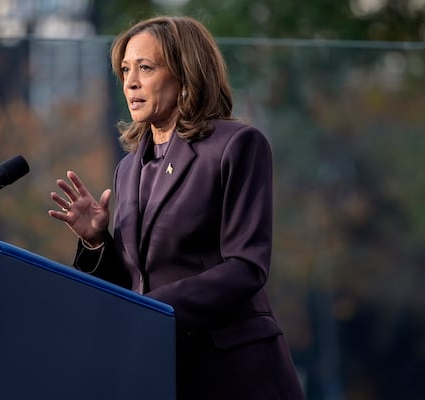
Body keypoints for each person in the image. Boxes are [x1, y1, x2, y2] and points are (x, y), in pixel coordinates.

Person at [49, 15, 304, 399]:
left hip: (236, 371)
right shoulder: (128, 169)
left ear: (186, 75)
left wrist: (152, 310)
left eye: (145, 68)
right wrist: (98, 242)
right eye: (124, 70)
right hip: (163, 371)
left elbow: (247, 267)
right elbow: (136, 282)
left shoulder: (236, 145)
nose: (130, 82)